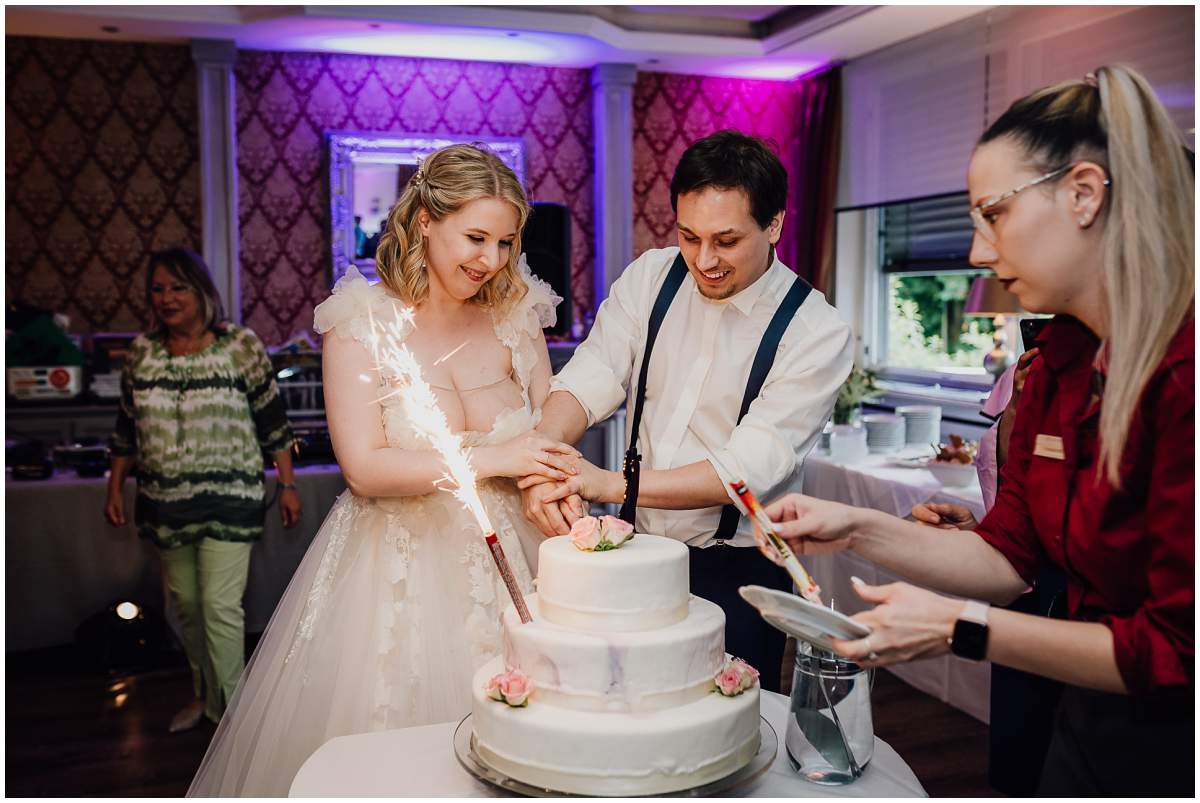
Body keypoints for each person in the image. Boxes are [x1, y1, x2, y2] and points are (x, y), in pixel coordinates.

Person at [759, 65, 1193, 796]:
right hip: (1086, 727)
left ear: (1084, 194)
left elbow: (1178, 652)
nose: (976, 253)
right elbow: (1009, 557)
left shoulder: (1183, 375)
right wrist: (856, 525)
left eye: (992, 214)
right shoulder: (1053, 365)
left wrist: (961, 627)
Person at [187, 144, 578, 796]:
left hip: (522, 552)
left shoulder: (519, 313)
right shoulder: (359, 321)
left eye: (506, 241)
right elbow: (365, 467)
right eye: (475, 237)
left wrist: (554, 483)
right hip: (396, 562)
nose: (492, 259)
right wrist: (496, 458)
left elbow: (548, 433)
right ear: (424, 219)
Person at [518, 130, 854, 692]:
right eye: (689, 236)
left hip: (739, 568)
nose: (704, 260)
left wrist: (606, 483)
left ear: (774, 225)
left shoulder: (817, 331)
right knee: (620, 708)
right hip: (634, 548)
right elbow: (591, 375)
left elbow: (743, 468)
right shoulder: (652, 276)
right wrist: (543, 457)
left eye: (726, 240)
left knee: (729, 735)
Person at [105, 248, 303, 733]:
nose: (167, 298)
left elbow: (272, 419)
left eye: (178, 287)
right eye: (158, 289)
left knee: (218, 606)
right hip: (164, 504)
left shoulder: (240, 345)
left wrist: (288, 484)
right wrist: (113, 487)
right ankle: (204, 697)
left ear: (202, 292)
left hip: (231, 499)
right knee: (188, 610)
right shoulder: (142, 353)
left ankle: (235, 720)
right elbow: (126, 428)